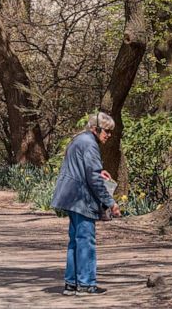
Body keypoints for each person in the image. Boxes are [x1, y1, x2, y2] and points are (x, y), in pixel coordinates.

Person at [51, 112, 121, 296]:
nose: (109, 135)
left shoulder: (78, 140)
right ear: (95, 129)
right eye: (106, 131)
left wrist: (99, 173)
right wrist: (111, 203)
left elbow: (86, 171)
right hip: (80, 198)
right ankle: (86, 284)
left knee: (75, 241)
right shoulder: (90, 144)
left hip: (70, 196)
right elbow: (94, 178)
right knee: (86, 241)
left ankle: (71, 284)